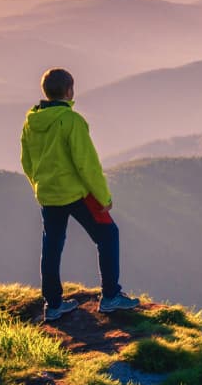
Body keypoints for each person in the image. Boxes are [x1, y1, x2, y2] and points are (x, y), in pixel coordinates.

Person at [20, 67, 139, 320]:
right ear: (69, 91)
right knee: (108, 235)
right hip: (76, 194)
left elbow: (26, 162)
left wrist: (39, 187)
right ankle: (110, 297)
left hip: (48, 195)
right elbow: (87, 164)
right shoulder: (71, 121)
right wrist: (103, 198)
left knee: (51, 247)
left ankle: (52, 305)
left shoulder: (31, 123)